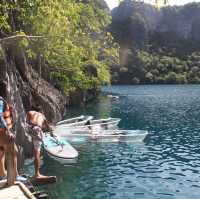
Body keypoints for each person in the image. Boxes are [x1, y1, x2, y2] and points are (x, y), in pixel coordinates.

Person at [26, 109, 54, 179]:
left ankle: (32, 151)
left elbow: (27, 122)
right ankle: (37, 174)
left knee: (34, 148)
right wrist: (51, 133)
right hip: (37, 129)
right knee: (37, 153)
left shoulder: (30, 112)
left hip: (29, 128)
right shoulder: (42, 116)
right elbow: (48, 127)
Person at [0, 96, 18, 181]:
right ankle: (15, 176)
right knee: (14, 151)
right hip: (3, 131)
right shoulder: (0, 101)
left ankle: (2, 174)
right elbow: (0, 116)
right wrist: (8, 130)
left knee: (1, 152)